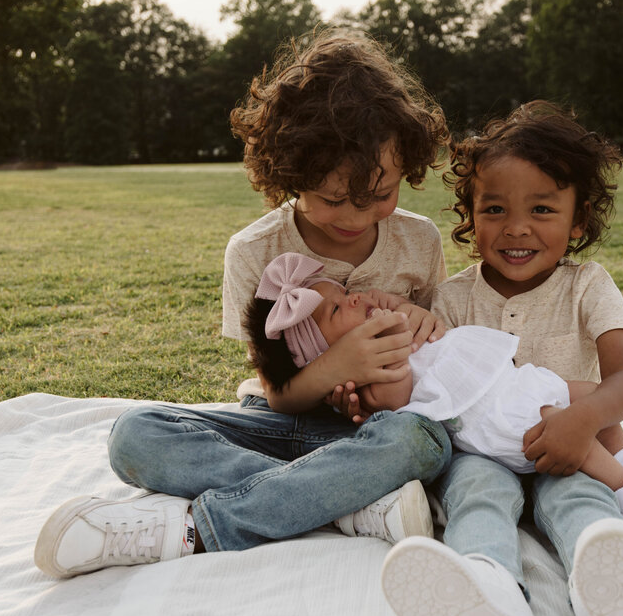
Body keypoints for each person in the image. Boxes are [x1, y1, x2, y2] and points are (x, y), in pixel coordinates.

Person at [33, 29, 453, 580]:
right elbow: (280, 396)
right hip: (275, 428)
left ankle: (202, 529)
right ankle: (350, 505)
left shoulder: (419, 243)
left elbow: (442, 368)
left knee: (421, 441)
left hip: (371, 437)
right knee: (135, 433)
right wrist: (337, 366)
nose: (355, 216)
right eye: (332, 199)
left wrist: (429, 328)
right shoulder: (255, 251)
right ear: (289, 174)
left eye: (380, 195)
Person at [381, 101, 623, 616]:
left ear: (578, 222)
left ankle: (615, 594)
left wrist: (584, 419)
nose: (517, 227)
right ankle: (491, 593)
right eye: (495, 209)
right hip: (482, 453)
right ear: (471, 216)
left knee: (581, 496)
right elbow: (434, 386)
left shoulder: (588, 286)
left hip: (571, 442)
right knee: (476, 495)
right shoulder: (453, 299)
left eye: (543, 209)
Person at [246, 252, 623, 515]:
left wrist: (386, 311)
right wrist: (389, 338)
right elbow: (400, 396)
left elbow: (419, 327)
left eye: (346, 292)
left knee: (592, 398)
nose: (358, 297)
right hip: (496, 416)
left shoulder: (390, 323)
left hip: (514, 383)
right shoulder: (369, 382)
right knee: (566, 427)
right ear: (324, 357)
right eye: (340, 308)